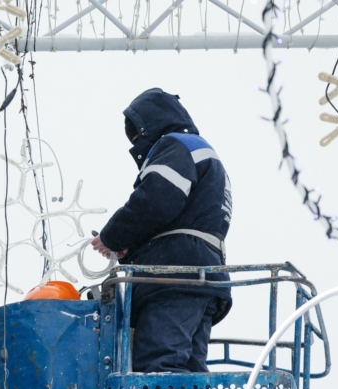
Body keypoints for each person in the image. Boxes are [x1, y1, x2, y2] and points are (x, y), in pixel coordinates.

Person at [92, 88, 233, 374]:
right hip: (202, 276)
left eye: (136, 135)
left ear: (149, 126)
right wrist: (136, 246)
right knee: (190, 368)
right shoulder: (200, 153)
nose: (136, 143)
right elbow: (184, 218)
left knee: (161, 363)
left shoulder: (176, 146)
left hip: (174, 278)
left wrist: (112, 237)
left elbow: (157, 199)